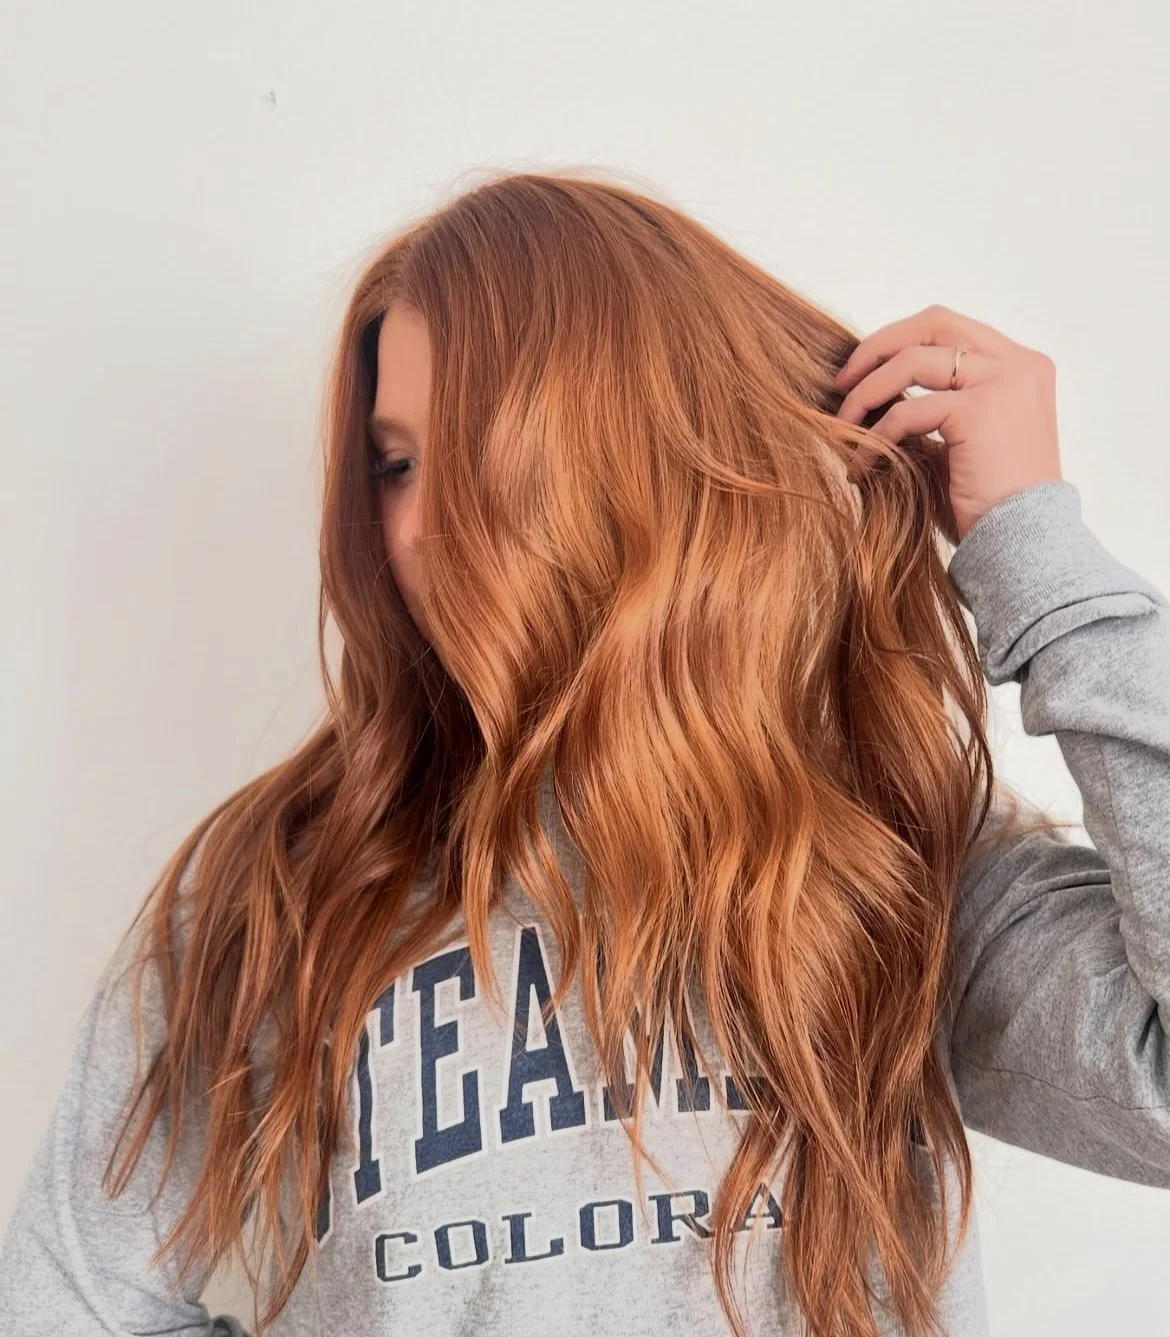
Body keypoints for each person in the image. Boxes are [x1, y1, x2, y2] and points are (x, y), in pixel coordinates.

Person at [1, 169, 1167, 1337]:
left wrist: (1039, 559)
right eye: (395, 462)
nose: (412, 522)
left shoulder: (888, 857)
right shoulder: (290, 880)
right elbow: (65, 1298)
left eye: (480, 449)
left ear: (633, 458)